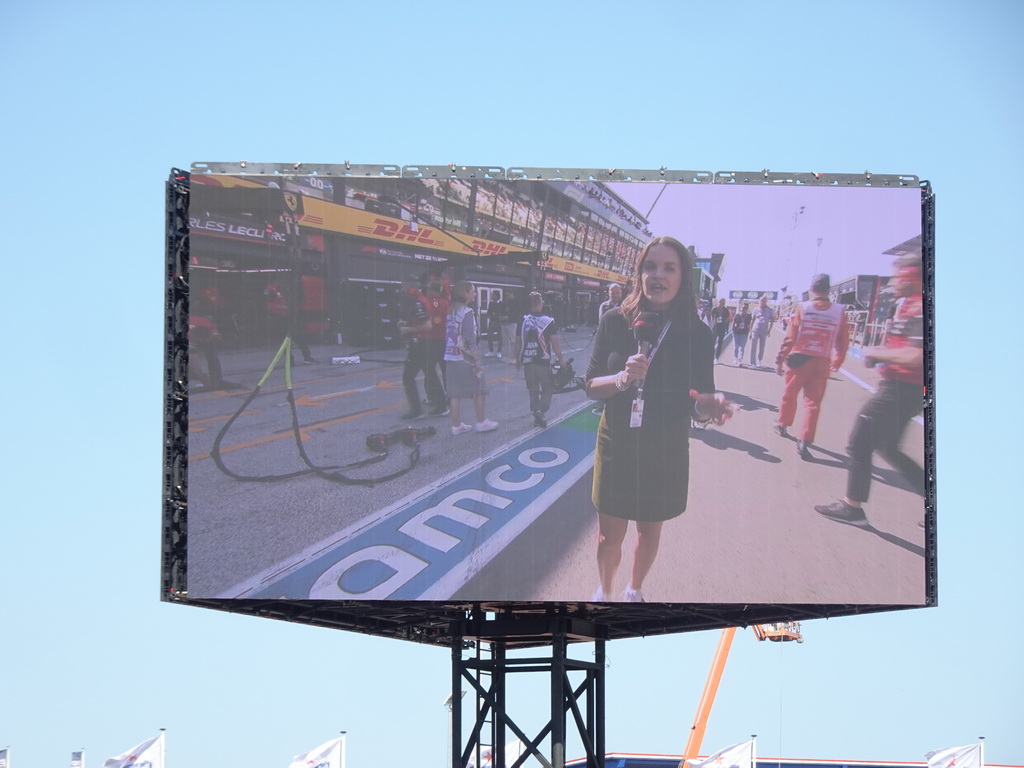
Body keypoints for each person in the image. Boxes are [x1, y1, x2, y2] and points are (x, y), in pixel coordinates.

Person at [585, 236, 732, 602]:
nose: (658, 275)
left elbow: (699, 401)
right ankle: (604, 592)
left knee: (649, 534)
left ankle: (634, 590)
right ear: (639, 273)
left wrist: (709, 408)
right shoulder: (614, 321)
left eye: (669, 268)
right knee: (608, 538)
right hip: (617, 442)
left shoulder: (698, 334)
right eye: (650, 267)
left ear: (683, 277)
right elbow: (589, 385)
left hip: (665, 447)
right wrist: (621, 378)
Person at [815, 255, 926, 527]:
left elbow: (917, 357)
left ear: (913, 275)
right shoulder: (908, 305)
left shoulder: (921, 307)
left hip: (903, 388)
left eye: (899, 275)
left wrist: (879, 352)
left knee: (860, 441)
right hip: (901, 386)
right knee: (888, 447)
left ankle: (853, 507)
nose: (894, 281)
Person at [772, 274, 848, 460]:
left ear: (812, 289)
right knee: (813, 403)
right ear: (828, 290)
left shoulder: (803, 308)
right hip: (822, 361)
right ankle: (804, 440)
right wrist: (837, 360)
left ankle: (783, 424)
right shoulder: (839, 311)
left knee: (789, 395)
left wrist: (780, 359)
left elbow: (790, 338)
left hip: (800, 359)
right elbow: (843, 340)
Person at [444, 282, 498, 435]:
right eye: (472, 291)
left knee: (455, 393)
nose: (474, 294)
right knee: (480, 389)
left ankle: (456, 425)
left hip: (450, 354)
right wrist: (477, 360)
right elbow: (470, 338)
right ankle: (481, 422)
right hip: (465, 356)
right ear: (465, 293)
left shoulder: (450, 310)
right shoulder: (466, 312)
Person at [398, 276, 449, 419]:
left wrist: (407, 329)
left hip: (424, 342)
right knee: (431, 373)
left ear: (411, 288)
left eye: (404, 288)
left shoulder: (421, 302)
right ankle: (441, 405)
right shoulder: (441, 302)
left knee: (409, 377)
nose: (402, 291)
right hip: (439, 341)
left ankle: (417, 410)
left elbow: (427, 325)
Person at [515, 292, 565, 428]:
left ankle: (536, 415)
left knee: (533, 390)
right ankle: (540, 411)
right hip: (542, 362)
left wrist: (517, 359)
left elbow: (518, 341)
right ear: (540, 304)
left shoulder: (523, 320)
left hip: (527, 361)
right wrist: (561, 360)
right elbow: (555, 344)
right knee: (548, 389)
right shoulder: (548, 321)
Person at [749, 295, 775, 367]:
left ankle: (759, 360)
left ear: (766, 301)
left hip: (764, 330)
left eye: (763, 301)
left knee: (762, 346)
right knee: (753, 346)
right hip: (755, 330)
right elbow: (752, 320)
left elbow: (772, 320)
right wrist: (750, 331)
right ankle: (752, 362)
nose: (761, 302)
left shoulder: (770, 310)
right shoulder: (755, 309)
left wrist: (769, 330)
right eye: (760, 301)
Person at [731, 301, 752, 366]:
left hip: (744, 333)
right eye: (742, 308)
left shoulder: (749, 316)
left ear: (747, 309)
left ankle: (740, 360)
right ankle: (735, 358)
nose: (743, 309)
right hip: (736, 333)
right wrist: (733, 331)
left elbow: (750, 325)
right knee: (736, 346)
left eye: (745, 308)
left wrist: (750, 332)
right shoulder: (737, 315)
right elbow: (733, 323)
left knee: (742, 347)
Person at [484, 291, 504, 358]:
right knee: (490, 336)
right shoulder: (491, 303)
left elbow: (503, 313)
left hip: (499, 322)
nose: (492, 296)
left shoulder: (501, 304)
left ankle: (499, 352)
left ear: (497, 296)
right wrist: (489, 315)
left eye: (493, 295)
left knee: (500, 337)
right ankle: (491, 351)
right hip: (492, 321)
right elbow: (489, 311)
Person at [710, 298, 731, 362]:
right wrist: (713, 322)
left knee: (720, 342)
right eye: (719, 302)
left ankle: (717, 357)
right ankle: (711, 356)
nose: (720, 303)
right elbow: (711, 317)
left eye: (721, 302)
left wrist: (725, 322)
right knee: (712, 342)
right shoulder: (714, 309)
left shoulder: (726, 310)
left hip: (722, 327)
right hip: (715, 327)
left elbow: (729, 317)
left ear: (723, 303)